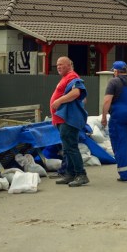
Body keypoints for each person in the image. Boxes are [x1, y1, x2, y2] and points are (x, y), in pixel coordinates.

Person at [49, 56, 90, 187]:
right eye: (57, 65)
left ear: (69, 65)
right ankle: (70, 174)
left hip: (68, 120)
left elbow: (77, 92)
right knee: (67, 148)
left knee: (71, 147)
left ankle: (81, 174)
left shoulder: (72, 77)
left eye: (61, 64)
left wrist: (59, 101)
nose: (58, 67)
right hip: (62, 119)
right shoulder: (66, 78)